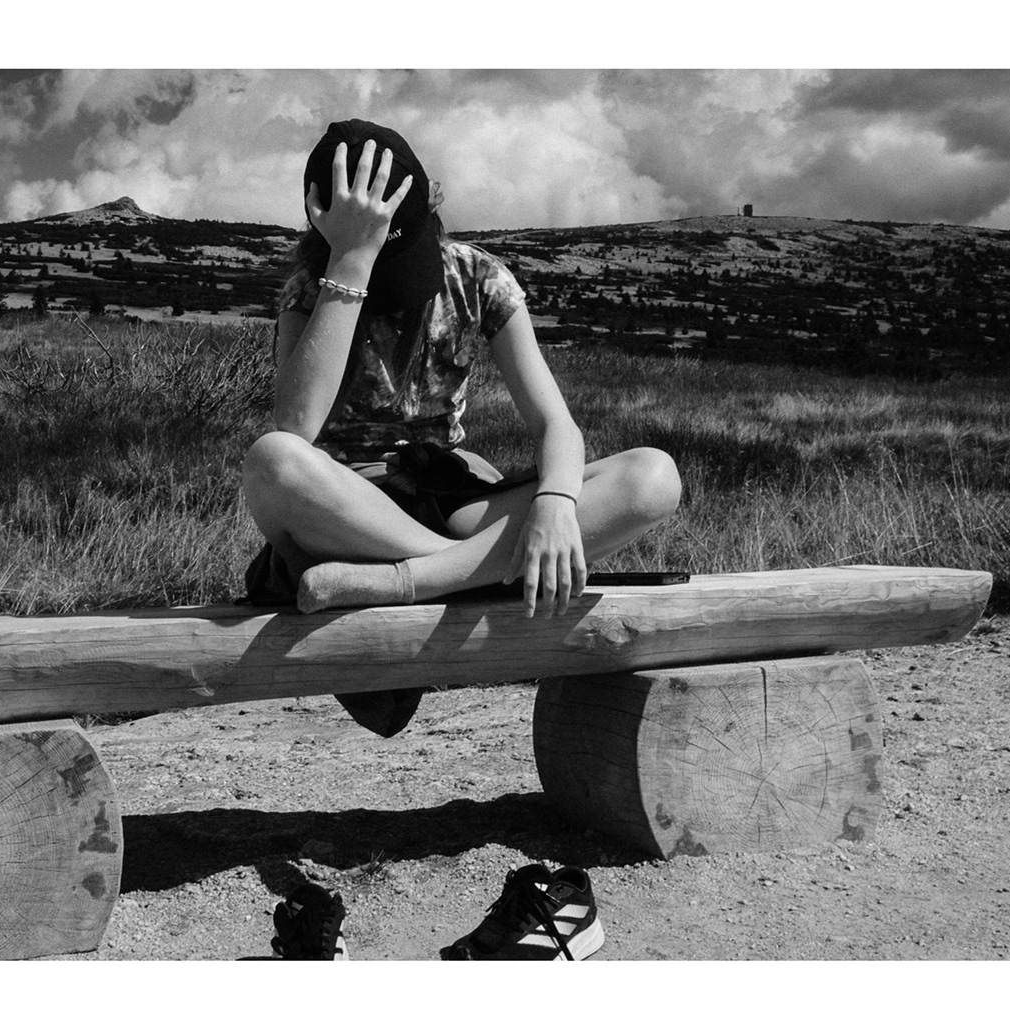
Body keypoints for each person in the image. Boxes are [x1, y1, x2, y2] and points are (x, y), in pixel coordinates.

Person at [240, 119, 682, 709]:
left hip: (452, 499)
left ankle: (408, 583)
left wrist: (555, 505)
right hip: (349, 515)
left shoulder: (476, 276)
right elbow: (296, 428)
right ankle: (479, 573)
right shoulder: (310, 289)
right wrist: (350, 261)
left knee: (653, 475)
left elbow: (554, 424)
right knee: (272, 460)